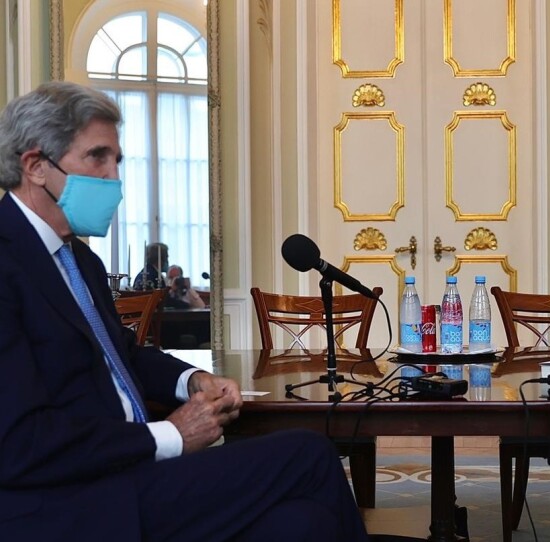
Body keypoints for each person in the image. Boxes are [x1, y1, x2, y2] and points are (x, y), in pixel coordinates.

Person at [0, 81, 368, 541]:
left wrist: (190, 381)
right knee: (310, 455)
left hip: (127, 474)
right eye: (98, 157)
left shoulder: (80, 261)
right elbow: (19, 442)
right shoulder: (8, 262)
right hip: (69, 501)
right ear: (35, 166)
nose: (115, 178)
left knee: (301, 524)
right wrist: (172, 435)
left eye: (118, 161)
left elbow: (125, 356)